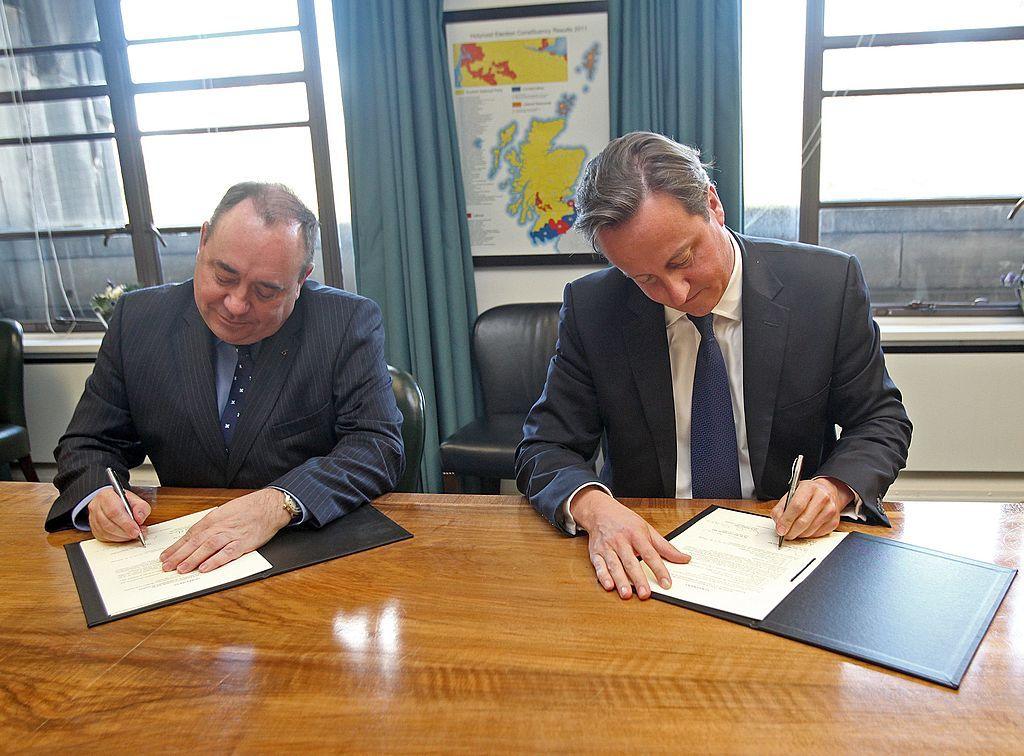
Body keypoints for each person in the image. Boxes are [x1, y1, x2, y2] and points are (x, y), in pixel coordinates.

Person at [516, 132, 912, 601]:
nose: (677, 295)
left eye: (683, 259)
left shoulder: (825, 287)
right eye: (644, 279)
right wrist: (595, 507)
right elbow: (545, 446)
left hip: (785, 550)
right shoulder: (594, 307)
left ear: (713, 205)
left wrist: (834, 487)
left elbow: (879, 420)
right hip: (650, 557)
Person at [46, 182, 404, 575]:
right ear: (203, 243)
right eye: (224, 275)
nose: (235, 305)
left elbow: (376, 445)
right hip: (183, 560)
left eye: (266, 291)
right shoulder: (138, 321)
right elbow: (88, 441)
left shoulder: (344, 323)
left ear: (301, 280)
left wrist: (280, 502)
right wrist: (101, 494)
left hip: (306, 557)